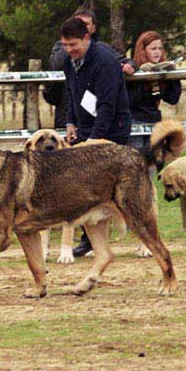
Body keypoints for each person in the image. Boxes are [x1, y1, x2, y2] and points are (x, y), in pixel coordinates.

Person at [61, 17, 132, 257]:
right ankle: (90, 239)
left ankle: (141, 233)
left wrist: (95, 141)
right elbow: (70, 94)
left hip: (112, 129)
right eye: (65, 45)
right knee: (87, 188)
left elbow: (107, 106)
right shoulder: (69, 62)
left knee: (118, 189)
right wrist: (71, 122)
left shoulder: (105, 61)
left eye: (73, 44)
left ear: (87, 38)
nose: (69, 50)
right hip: (85, 128)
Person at [43, 9, 134, 128]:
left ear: (93, 28)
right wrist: (71, 45)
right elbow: (55, 65)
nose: (81, 26)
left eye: (86, 24)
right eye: (77, 23)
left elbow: (124, 60)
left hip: (95, 117)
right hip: (66, 110)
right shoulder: (61, 47)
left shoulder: (103, 51)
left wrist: (131, 65)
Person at [126, 31, 182, 150]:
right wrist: (143, 76)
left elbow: (172, 99)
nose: (157, 52)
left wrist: (174, 77)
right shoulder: (132, 70)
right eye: (153, 49)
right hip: (135, 121)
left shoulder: (161, 70)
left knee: (154, 161)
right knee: (136, 161)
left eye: (160, 48)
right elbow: (132, 100)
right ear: (143, 50)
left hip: (154, 121)